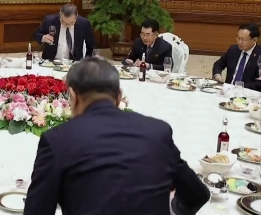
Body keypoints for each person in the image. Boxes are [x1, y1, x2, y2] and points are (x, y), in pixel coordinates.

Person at [24, 58, 210, 215]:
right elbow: (197, 194)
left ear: (72, 96)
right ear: (119, 97)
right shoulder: (158, 131)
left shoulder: (58, 140)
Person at [212, 22, 261, 90]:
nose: (239, 42)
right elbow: (218, 64)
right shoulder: (233, 50)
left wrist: (240, 86)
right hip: (228, 90)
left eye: (243, 39)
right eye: (238, 38)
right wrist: (217, 74)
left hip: (248, 93)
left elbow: (259, 83)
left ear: (254, 40)